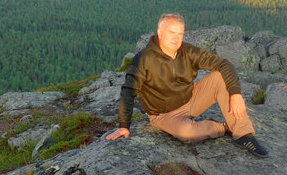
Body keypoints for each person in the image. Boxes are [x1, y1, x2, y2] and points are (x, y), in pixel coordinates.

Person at [105, 13, 268, 157]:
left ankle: (244, 134)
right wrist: (124, 126)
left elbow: (223, 64)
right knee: (187, 134)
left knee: (220, 77)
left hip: (191, 98)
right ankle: (223, 128)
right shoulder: (144, 59)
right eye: (171, 33)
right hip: (164, 114)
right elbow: (128, 92)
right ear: (159, 33)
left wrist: (235, 93)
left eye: (180, 34)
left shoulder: (187, 51)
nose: (176, 38)